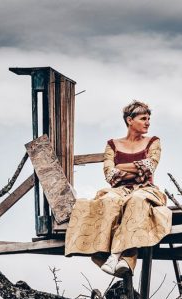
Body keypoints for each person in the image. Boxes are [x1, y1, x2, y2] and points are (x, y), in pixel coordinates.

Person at [64, 100, 172, 277]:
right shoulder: (112, 144)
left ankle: (116, 256)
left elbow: (149, 168)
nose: (148, 122)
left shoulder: (153, 141)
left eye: (149, 118)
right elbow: (110, 175)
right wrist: (137, 169)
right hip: (118, 190)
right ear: (130, 120)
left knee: (136, 201)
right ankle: (113, 257)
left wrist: (121, 168)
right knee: (108, 201)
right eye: (143, 118)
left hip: (145, 188)